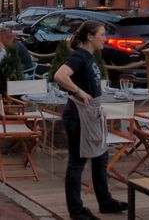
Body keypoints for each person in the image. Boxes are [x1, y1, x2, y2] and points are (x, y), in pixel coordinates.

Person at [54, 21, 127, 220]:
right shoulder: (79, 56)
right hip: (78, 116)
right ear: (90, 37)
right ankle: (76, 210)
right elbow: (60, 75)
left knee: (100, 157)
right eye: (102, 35)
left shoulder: (90, 57)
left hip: (90, 114)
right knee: (77, 162)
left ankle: (105, 202)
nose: (105, 38)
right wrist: (78, 91)